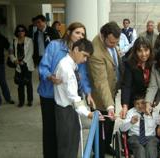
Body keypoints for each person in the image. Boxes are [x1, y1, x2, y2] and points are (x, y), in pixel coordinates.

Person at [38, 22, 93, 158]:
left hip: (67, 99)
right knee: (51, 132)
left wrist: (88, 92)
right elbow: (43, 67)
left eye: (83, 34)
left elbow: (82, 75)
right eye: (77, 32)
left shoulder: (79, 53)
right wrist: (50, 77)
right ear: (68, 32)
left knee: (66, 134)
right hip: (49, 95)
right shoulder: (55, 46)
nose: (80, 36)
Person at [53, 38, 97, 158]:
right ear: (76, 49)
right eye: (84, 56)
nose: (85, 60)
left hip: (66, 109)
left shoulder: (68, 63)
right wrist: (88, 114)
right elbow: (74, 97)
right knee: (68, 146)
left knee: (70, 144)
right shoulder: (67, 69)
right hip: (66, 111)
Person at [87, 21, 122, 157]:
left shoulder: (110, 42)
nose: (114, 45)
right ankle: (98, 152)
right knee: (101, 129)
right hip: (100, 98)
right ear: (103, 35)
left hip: (111, 92)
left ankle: (106, 146)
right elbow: (101, 81)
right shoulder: (95, 52)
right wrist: (109, 105)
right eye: (112, 43)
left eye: (116, 42)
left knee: (110, 125)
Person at [120, 36, 154, 119]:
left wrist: (153, 100)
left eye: (146, 50)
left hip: (149, 100)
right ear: (135, 52)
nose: (143, 54)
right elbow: (126, 86)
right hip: (134, 100)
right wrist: (125, 105)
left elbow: (155, 84)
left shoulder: (154, 63)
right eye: (140, 51)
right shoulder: (129, 64)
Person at [9, 24, 34, 107]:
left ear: (25, 31)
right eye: (19, 31)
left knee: (28, 83)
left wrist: (23, 61)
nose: (20, 32)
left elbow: (30, 52)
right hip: (18, 65)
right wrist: (14, 60)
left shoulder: (29, 40)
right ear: (17, 32)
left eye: (22, 30)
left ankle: (30, 100)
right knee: (20, 84)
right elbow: (11, 52)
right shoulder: (13, 41)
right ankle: (21, 101)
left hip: (27, 65)